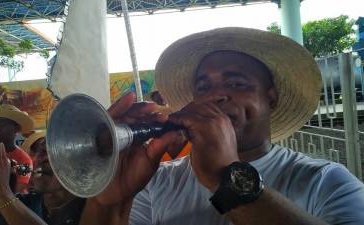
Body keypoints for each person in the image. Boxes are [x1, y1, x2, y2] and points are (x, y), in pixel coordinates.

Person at [79, 27, 364, 225]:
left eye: (237, 83)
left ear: (271, 99)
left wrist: (227, 179)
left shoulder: (327, 182)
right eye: (203, 87)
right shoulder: (156, 183)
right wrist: (107, 204)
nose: (216, 95)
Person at [0, 135, 85, 225]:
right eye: (43, 151)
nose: (46, 158)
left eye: (60, 153)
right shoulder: (26, 203)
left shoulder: (92, 209)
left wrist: (2, 194)